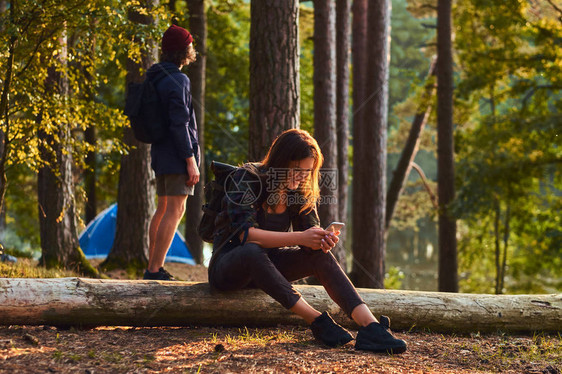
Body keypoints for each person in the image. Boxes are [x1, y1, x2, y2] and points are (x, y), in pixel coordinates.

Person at [208, 129, 407, 353]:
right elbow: (246, 235)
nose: (302, 176)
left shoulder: (298, 191)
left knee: (319, 255)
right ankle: (317, 321)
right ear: (281, 162)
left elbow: (308, 232)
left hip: (270, 268)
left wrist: (320, 238)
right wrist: (301, 237)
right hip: (229, 267)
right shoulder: (246, 178)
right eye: (296, 169)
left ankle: (370, 327)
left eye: (307, 171)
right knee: (252, 251)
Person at [143, 25, 200, 281]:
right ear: (184, 50)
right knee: (175, 210)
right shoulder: (179, 79)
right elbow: (180, 123)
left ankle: (152, 266)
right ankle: (155, 270)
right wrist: (190, 161)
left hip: (160, 152)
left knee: (163, 207)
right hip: (177, 154)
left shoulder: (156, 75)